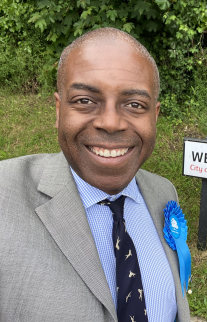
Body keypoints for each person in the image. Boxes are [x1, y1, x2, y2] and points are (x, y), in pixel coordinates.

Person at [0, 28, 190, 322]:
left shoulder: (164, 194)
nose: (111, 123)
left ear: (155, 116)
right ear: (59, 109)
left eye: (135, 105)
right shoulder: (4, 193)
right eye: (85, 100)